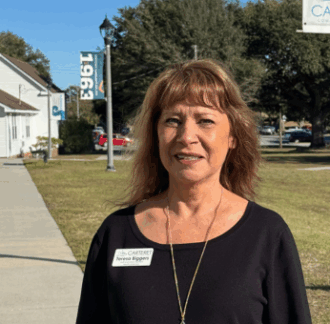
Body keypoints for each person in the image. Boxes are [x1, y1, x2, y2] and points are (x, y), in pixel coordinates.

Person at [76, 59, 312, 324]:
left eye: (205, 120)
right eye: (173, 120)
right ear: (156, 134)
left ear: (233, 136)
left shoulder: (266, 234)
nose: (186, 136)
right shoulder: (115, 234)